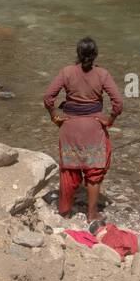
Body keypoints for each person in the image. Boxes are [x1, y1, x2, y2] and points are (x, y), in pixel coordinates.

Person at [43, 37, 124, 222]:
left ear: (78, 54)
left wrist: (54, 115)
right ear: (95, 55)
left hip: (69, 126)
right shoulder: (102, 74)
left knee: (69, 170)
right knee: (94, 172)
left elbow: (48, 97)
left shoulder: (66, 72)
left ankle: (64, 211)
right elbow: (118, 102)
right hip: (93, 127)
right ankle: (92, 213)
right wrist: (110, 119)